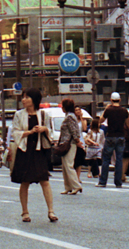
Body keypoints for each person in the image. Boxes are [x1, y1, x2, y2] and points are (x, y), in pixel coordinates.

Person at [9, 88, 57, 223]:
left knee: (45, 180)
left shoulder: (43, 114)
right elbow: (15, 133)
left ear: (34, 100)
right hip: (25, 150)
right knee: (25, 181)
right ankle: (25, 212)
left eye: (27, 97)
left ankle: (51, 211)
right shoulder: (19, 114)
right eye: (23, 97)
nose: (23, 100)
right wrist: (29, 132)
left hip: (39, 150)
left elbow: (50, 132)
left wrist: (44, 129)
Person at [98, 92, 129, 188]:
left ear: (111, 100)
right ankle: (118, 182)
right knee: (119, 159)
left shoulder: (109, 110)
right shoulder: (124, 110)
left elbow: (101, 120)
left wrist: (106, 109)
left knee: (106, 159)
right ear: (120, 100)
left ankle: (103, 181)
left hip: (110, 136)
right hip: (120, 136)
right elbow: (127, 123)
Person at [58, 97, 82, 195]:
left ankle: (76, 186)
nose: (61, 107)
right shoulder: (69, 116)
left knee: (68, 165)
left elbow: (74, 131)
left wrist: (77, 141)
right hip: (66, 143)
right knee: (65, 166)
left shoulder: (70, 117)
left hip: (70, 143)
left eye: (62, 106)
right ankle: (68, 187)